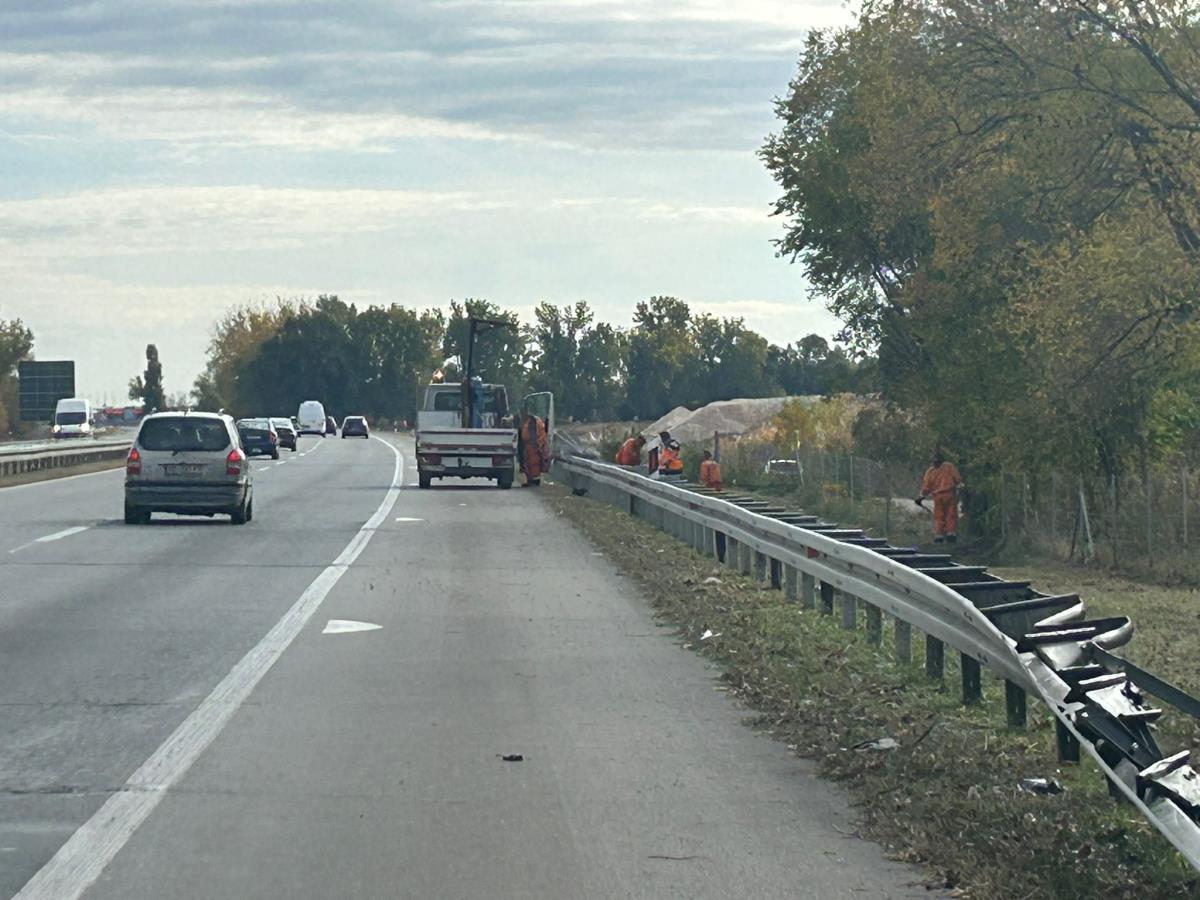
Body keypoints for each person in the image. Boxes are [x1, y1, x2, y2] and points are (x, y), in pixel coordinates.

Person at [917, 450, 964, 543]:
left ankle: (939, 535)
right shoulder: (949, 467)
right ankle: (950, 533)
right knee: (950, 514)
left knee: (939, 516)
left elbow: (926, 487)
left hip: (938, 497)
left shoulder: (930, 471)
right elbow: (957, 479)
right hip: (949, 494)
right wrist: (960, 485)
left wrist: (922, 495)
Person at [518, 410, 550, 487]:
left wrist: (536, 446)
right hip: (529, 446)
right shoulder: (529, 421)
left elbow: (533, 435)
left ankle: (535, 481)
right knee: (528, 463)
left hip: (533, 446)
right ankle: (530, 480)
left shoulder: (532, 421)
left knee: (534, 463)